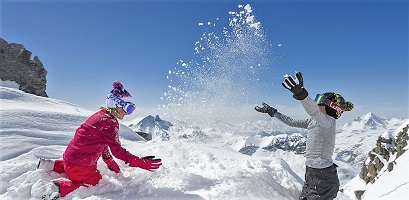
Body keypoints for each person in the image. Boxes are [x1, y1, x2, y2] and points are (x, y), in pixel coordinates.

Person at [34, 81, 162, 199]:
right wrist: (141, 163)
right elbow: (118, 152)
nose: (128, 113)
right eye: (128, 108)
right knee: (95, 181)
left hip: (69, 159)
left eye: (132, 109)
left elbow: (102, 142)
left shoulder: (100, 115)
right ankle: (57, 188)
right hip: (81, 166)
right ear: (116, 105)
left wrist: (109, 161)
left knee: (72, 167)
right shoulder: (110, 122)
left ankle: (50, 165)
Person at [255, 72, 353, 200]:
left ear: (331, 107)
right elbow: (291, 122)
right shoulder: (314, 121)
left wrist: (301, 94)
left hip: (322, 177)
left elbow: (312, 109)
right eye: (317, 100)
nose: (318, 104)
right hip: (312, 172)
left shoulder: (328, 122)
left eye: (321, 101)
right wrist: (274, 113)